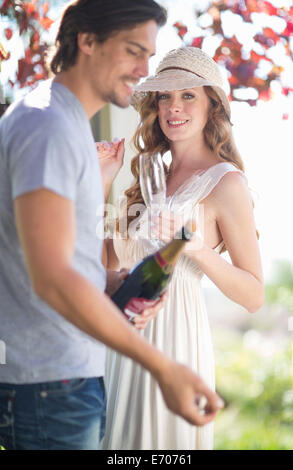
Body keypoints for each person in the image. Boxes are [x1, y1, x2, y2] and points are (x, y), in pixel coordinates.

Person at [0, 2, 224, 451]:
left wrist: (112, 281)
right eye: (133, 51)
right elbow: (53, 279)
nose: (145, 70)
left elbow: (49, 258)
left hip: (63, 377)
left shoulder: (60, 123)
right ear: (86, 41)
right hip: (51, 384)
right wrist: (162, 368)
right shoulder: (48, 127)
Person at [100, 46, 264, 450]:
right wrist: (103, 181)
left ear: (213, 105)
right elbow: (104, 263)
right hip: (124, 341)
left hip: (177, 343)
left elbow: (254, 295)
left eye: (188, 94)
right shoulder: (149, 176)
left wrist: (193, 247)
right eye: (165, 96)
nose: (174, 107)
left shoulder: (226, 184)